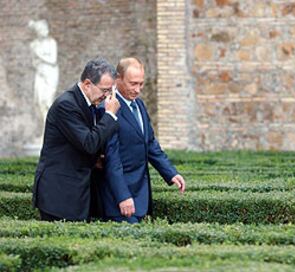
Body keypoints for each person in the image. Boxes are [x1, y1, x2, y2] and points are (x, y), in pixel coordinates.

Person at [32, 57, 120, 221]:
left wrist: (96, 159)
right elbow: (89, 143)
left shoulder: (88, 103)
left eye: (111, 91)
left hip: (77, 191)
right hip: (59, 195)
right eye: (105, 90)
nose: (108, 96)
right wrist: (109, 115)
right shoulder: (66, 105)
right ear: (87, 84)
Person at [99, 57, 185, 223]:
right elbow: (112, 158)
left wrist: (171, 172)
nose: (138, 89)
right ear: (117, 80)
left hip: (141, 196)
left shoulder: (139, 105)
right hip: (119, 200)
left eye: (141, 84)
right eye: (133, 84)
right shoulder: (109, 109)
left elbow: (150, 143)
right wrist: (122, 196)